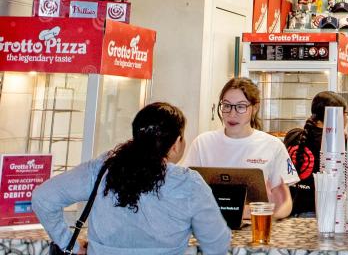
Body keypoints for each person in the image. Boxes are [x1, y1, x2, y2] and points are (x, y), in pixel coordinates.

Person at [33, 102, 231, 255]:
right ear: (176, 144)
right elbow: (217, 243)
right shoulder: (189, 183)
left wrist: (71, 244)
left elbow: (43, 197)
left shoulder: (103, 169)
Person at [183, 77, 298, 219]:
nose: (232, 114)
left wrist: (270, 216)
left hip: (255, 227)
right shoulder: (202, 143)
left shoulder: (273, 146)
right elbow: (186, 190)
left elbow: (285, 203)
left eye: (241, 106)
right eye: (227, 105)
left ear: (254, 108)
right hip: (210, 227)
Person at [283, 90, 348, 216]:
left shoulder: (293, 135)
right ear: (337, 115)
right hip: (319, 213)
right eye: (346, 113)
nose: (347, 118)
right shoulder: (335, 143)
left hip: (290, 209)